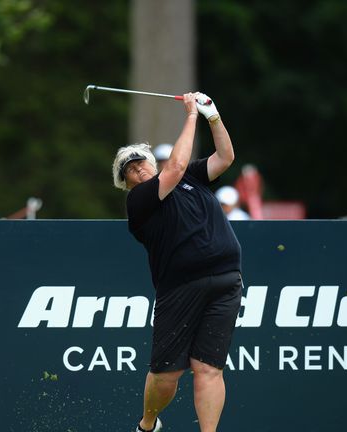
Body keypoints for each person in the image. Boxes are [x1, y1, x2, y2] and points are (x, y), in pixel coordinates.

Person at [112, 93, 242, 432]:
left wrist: (213, 116)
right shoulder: (140, 201)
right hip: (180, 288)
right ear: (126, 184)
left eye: (141, 162)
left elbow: (225, 157)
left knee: (209, 368)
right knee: (166, 373)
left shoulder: (192, 179)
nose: (139, 168)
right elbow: (176, 166)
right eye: (131, 170)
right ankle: (148, 423)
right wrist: (190, 116)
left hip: (226, 279)